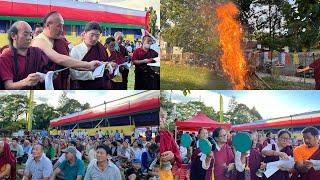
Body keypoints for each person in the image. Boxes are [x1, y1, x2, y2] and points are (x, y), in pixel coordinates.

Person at [31, 11, 101, 88]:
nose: (61, 30)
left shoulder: (59, 41)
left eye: (62, 26)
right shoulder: (39, 40)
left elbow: (69, 63)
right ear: (48, 25)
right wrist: (88, 65)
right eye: (59, 26)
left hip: (61, 83)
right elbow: (59, 59)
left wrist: (93, 66)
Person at [0, 21, 51, 90]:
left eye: (30, 34)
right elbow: (8, 86)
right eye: (25, 34)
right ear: (13, 36)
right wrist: (25, 82)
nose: (29, 38)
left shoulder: (37, 52)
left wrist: (48, 76)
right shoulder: (6, 56)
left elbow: (46, 71)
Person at [70, 21, 114, 90]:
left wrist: (108, 65)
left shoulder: (101, 48)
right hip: (84, 87)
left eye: (97, 36)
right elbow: (73, 74)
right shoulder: (76, 50)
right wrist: (92, 74)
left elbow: (104, 62)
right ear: (84, 34)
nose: (94, 38)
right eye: (92, 35)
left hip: (102, 86)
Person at [159, 107, 182, 180]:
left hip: (165, 174)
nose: (160, 119)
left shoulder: (168, 135)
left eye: (162, 117)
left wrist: (172, 156)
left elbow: (177, 157)